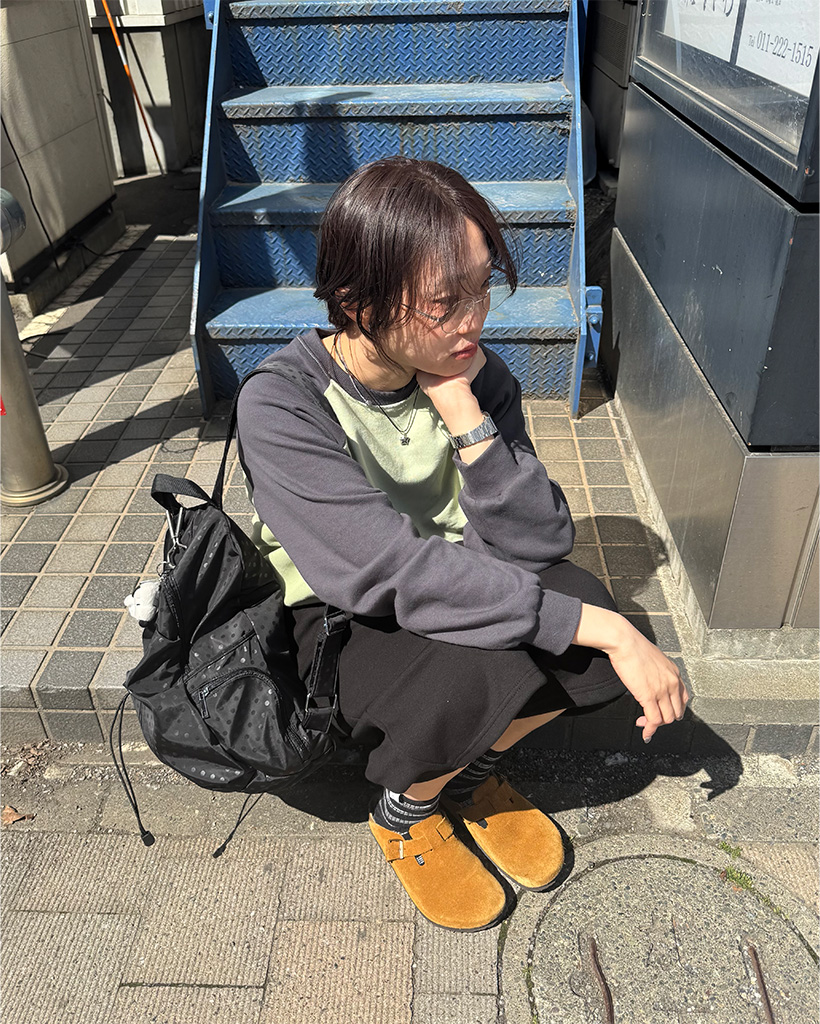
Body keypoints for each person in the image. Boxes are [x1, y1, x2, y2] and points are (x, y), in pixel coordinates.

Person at [236, 156, 688, 931]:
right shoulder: (282, 402)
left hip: (456, 577)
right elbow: (386, 570)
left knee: (584, 622)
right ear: (357, 302)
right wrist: (605, 631)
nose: (472, 321)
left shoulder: (475, 374)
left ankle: (468, 777)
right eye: (445, 303)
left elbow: (541, 538)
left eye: (481, 288)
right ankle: (403, 814)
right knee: (516, 657)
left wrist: (464, 414)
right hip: (339, 617)